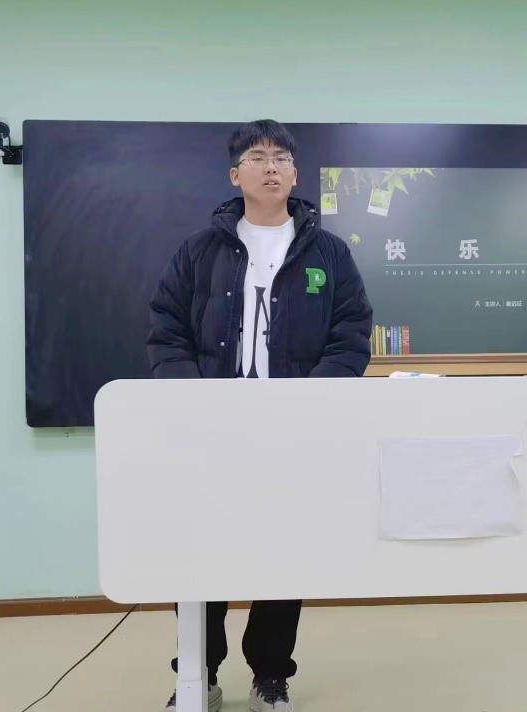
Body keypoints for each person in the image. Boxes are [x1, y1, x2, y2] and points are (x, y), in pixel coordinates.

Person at [147, 119, 374, 712]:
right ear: (235, 174)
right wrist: (194, 398)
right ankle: (198, 675)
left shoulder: (329, 253)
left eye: (280, 157)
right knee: (200, 553)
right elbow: (166, 331)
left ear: (295, 174)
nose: (270, 166)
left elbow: (351, 335)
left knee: (283, 553)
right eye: (256, 156)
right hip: (210, 429)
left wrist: (311, 402)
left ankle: (271, 674)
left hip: (293, 431)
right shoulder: (199, 252)